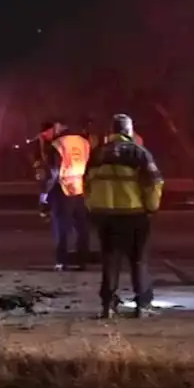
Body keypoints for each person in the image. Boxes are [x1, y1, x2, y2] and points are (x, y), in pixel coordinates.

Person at [84, 114, 163, 318]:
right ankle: (142, 305)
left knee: (110, 260)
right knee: (138, 261)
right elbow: (153, 183)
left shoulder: (98, 154)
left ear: (112, 131)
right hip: (133, 213)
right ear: (129, 131)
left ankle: (108, 305)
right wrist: (151, 207)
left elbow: (87, 184)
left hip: (105, 215)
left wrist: (93, 207)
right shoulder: (139, 153)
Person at [40, 121, 92, 270]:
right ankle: (83, 260)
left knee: (61, 227)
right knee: (82, 227)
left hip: (62, 189)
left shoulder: (57, 144)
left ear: (57, 128)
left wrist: (44, 195)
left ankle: (62, 261)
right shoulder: (84, 142)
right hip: (81, 189)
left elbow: (53, 173)